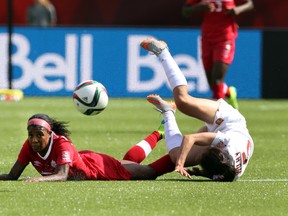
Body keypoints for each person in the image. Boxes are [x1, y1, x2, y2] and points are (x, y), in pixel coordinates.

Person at [140, 38, 254, 181]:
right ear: (222, 154)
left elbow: (215, 172)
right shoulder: (226, 142)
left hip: (226, 138)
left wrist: (197, 171)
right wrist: (180, 165)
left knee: (176, 155)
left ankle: (168, 112)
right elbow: (190, 138)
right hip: (229, 121)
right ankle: (163, 52)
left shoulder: (229, 173)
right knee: (183, 102)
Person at [0, 113, 175, 182]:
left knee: (149, 174)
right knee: (128, 162)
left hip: (98, 169)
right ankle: (159, 133)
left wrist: (39, 180)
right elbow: (12, 175)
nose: (34, 140)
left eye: (40, 135)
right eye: (31, 135)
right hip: (83, 159)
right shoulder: (29, 146)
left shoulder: (62, 144)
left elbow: (62, 175)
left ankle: (181, 150)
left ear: (50, 134)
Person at [182, 0, 254, 109]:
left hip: (225, 38)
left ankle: (219, 116)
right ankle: (228, 92)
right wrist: (198, 8)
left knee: (217, 79)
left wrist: (237, 9)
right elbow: (185, 11)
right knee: (212, 83)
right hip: (207, 39)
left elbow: (250, 4)